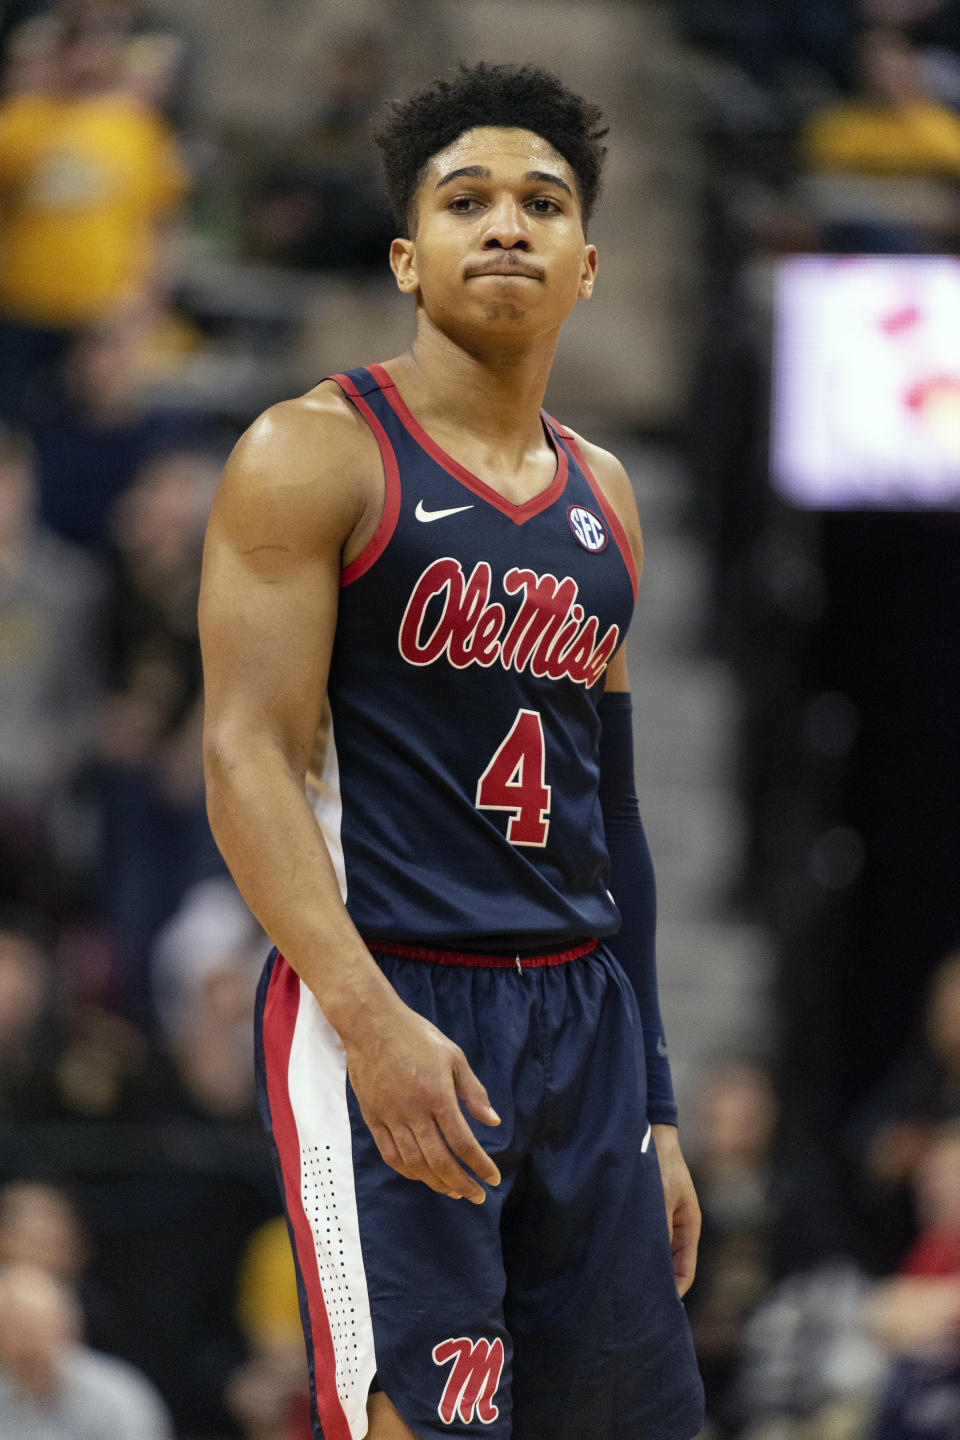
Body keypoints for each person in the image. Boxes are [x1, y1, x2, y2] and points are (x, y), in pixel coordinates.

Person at [200, 61, 705, 1440]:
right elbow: (243, 760)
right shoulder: (312, 455)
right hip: (396, 989)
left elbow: (614, 816)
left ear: (589, 264)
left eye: (542, 203)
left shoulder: (605, 496)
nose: (506, 224)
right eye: (466, 199)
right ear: (407, 257)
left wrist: (652, 1105)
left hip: (582, 1020)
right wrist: (368, 1025)